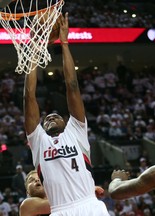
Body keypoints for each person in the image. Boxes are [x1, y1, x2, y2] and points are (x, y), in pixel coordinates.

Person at [23, 12, 109, 216]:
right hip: (60, 211)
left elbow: (72, 86)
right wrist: (34, 46)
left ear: (67, 121)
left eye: (56, 116)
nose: (51, 117)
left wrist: (64, 44)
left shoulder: (76, 131)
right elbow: (29, 96)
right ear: (42, 128)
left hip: (90, 206)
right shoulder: (38, 141)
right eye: (47, 118)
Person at [20, 170, 106, 216]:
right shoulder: (27, 205)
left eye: (40, 178)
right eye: (31, 180)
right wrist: (86, 191)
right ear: (27, 190)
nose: (37, 180)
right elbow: (59, 204)